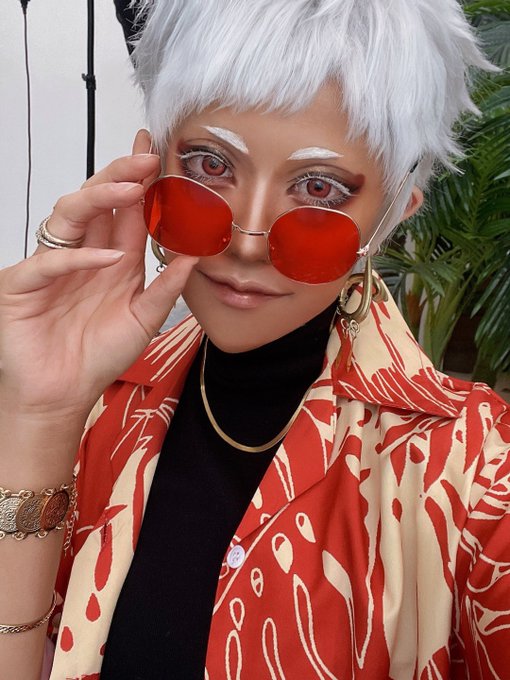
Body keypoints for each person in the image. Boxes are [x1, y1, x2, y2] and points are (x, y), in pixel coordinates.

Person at [0, 1, 508, 678]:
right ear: (153, 161)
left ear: (392, 215)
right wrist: (41, 414)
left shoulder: (475, 475)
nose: (247, 240)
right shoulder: (101, 405)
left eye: (318, 187)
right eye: (210, 165)